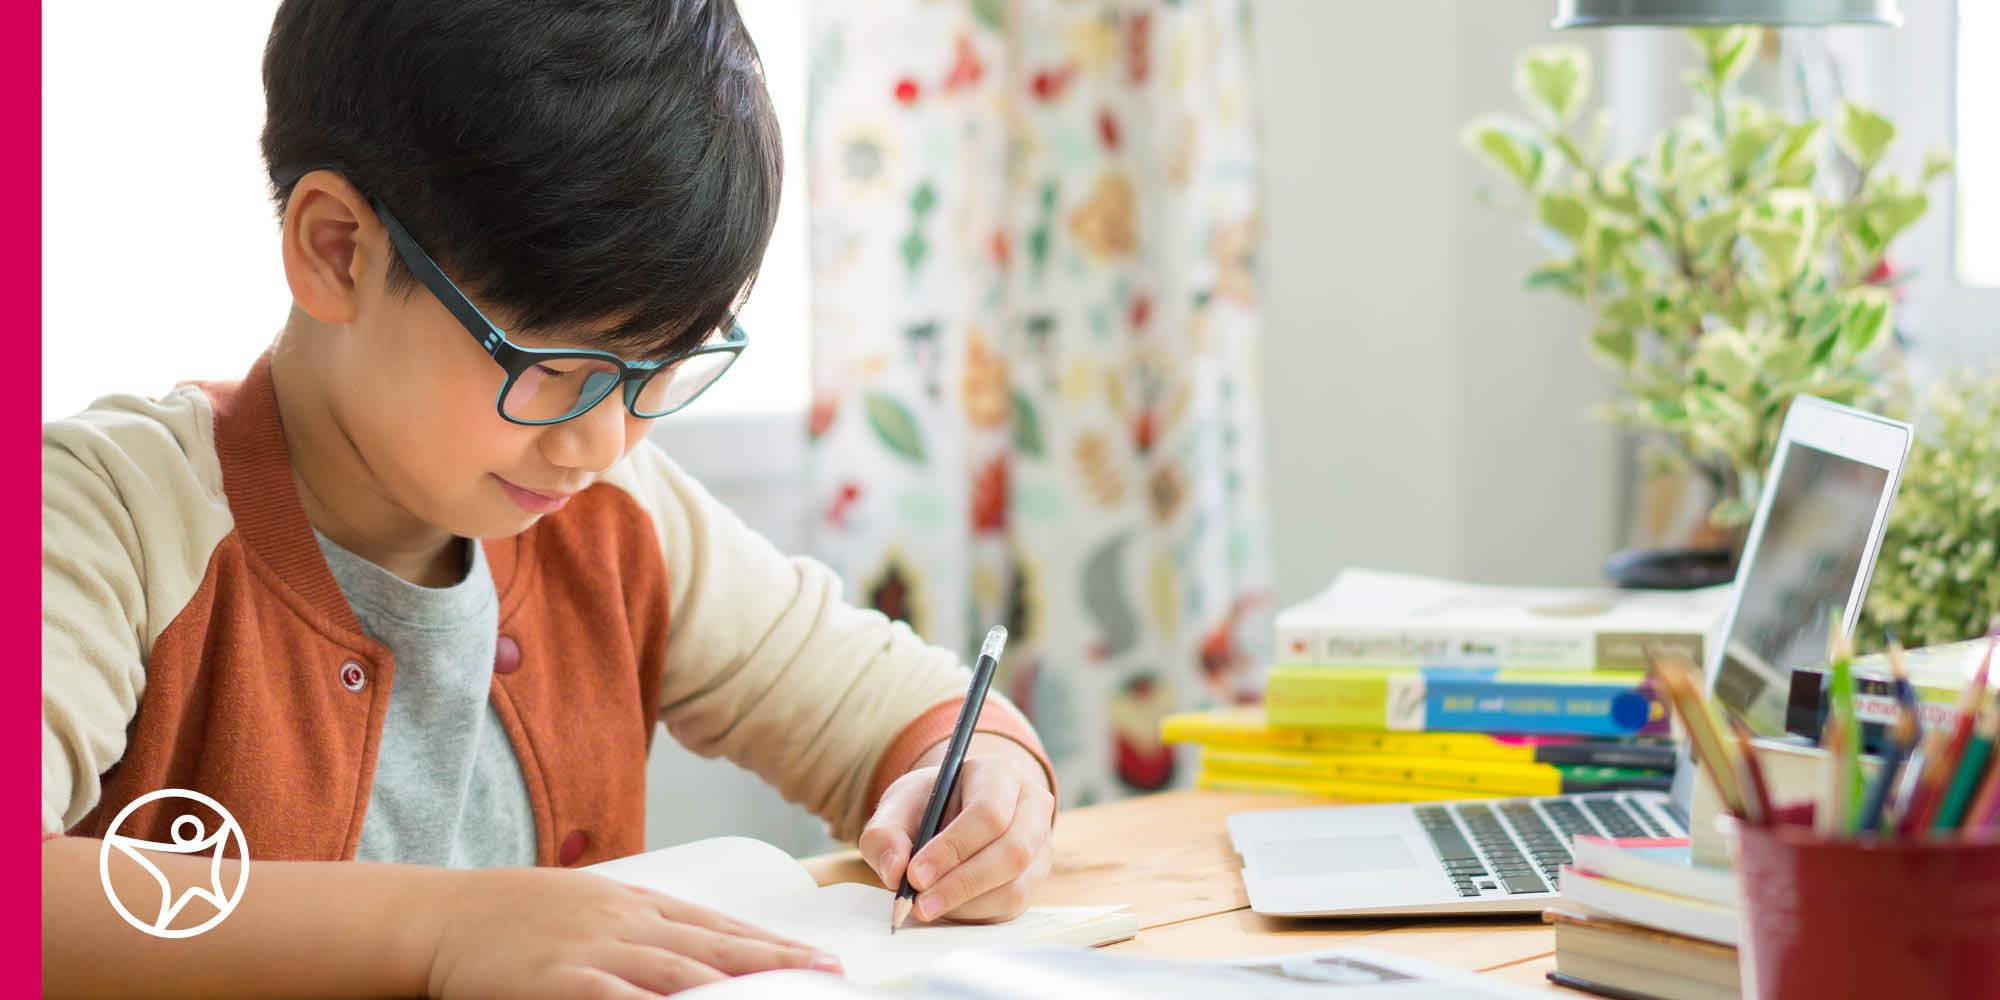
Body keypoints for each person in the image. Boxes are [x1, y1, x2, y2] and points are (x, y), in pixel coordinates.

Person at [39, 2, 1057, 996]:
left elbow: (897, 710)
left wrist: (981, 786)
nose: (599, 440)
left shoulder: (615, 511)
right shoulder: (106, 519)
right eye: (556, 364)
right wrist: (448, 930)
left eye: (660, 369)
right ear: (336, 248)